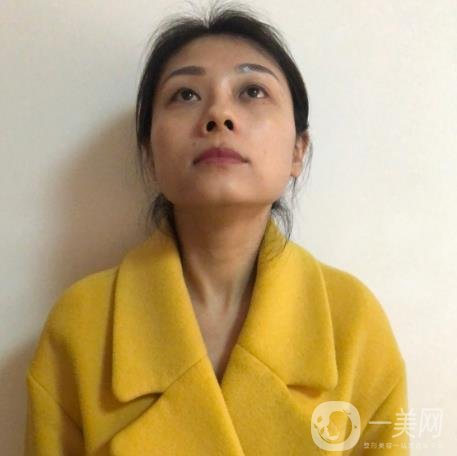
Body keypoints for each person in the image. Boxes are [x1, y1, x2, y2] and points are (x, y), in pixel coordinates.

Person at [24, 3, 409, 455]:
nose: (219, 115)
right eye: (186, 94)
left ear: (297, 151)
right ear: (149, 156)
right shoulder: (80, 327)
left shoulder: (354, 323)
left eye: (252, 91)